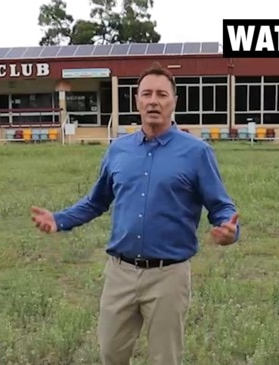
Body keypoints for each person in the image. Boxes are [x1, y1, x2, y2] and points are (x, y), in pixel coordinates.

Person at [31, 61, 240, 365]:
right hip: (120, 273)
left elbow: (222, 206)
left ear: (174, 102)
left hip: (169, 275)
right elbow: (96, 201)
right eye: (146, 94)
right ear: (136, 100)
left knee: (164, 359)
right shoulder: (119, 149)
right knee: (110, 353)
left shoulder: (196, 152)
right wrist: (59, 219)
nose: (153, 100)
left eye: (162, 94)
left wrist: (228, 230)